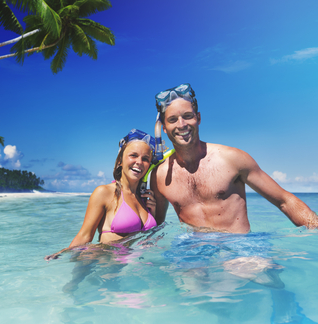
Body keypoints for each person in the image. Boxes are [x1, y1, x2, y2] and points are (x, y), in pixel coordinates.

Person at [150, 83, 318, 233]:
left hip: (238, 248)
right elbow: (157, 225)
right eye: (173, 120)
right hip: (193, 249)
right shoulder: (160, 176)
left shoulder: (232, 159)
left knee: (246, 268)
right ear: (164, 128)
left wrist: (314, 226)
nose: (181, 124)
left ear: (198, 118)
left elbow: (284, 201)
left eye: (187, 116)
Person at [45, 129, 159, 261]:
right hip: (111, 271)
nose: (139, 162)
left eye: (145, 159)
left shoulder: (145, 198)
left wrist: (153, 213)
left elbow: (147, 236)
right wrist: (61, 254)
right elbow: (85, 236)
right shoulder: (104, 193)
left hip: (143, 271)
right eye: (133, 155)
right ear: (120, 161)